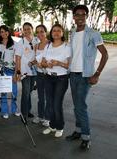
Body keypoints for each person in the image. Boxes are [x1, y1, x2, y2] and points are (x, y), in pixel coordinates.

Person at [66, 5, 108, 149]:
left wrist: (97, 74)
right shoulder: (72, 32)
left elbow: (105, 54)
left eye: (83, 14)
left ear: (86, 16)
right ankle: (78, 131)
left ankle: (86, 136)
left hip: (86, 76)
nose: (80, 17)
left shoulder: (93, 33)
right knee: (77, 106)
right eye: (77, 15)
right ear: (74, 17)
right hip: (73, 74)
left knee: (80, 106)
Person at [41, 24, 71, 138]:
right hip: (48, 77)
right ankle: (52, 126)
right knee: (50, 103)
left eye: (59, 31)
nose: (56, 33)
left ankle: (59, 126)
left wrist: (58, 63)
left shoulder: (67, 47)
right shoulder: (48, 46)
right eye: (54, 31)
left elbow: (68, 66)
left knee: (57, 104)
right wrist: (46, 64)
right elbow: (42, 62)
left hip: (61, 78)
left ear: (62, 33)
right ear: (51, 33)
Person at [0, 25, 20, 119]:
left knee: (14, 91)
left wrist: (16, 73)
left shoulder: (15, 44)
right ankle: (4, 111)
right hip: (1, 71)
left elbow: (17, 60)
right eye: (1, 32)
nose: (3, 33)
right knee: (3, 92)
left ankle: (14, 109)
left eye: (5, 31)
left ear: (8, 32)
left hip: (11, 70)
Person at [15, 22, 39, 120]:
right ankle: (24, 114)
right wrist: (18, 72)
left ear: (32, 29)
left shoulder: (37, 40)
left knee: (29, 91)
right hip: (25, 72)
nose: (27, 31)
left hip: (35, 71)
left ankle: (28, 110)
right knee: (25, 92)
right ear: (22, 31)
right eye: (24, 29)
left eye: (28, 28)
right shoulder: (20, 43)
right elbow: (17, 58)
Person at [31, 24, 50, 127]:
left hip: (48, 74)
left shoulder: (50, 44)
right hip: (39, 73)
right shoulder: (36, 46)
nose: (39, 34)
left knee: (48, 96)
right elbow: (36, 59)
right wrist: (32, 62)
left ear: (46, 32)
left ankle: (48, 118)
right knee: (40, 97)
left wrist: (43, 64)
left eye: (42, 31)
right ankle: (40, 115)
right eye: (37, 32)